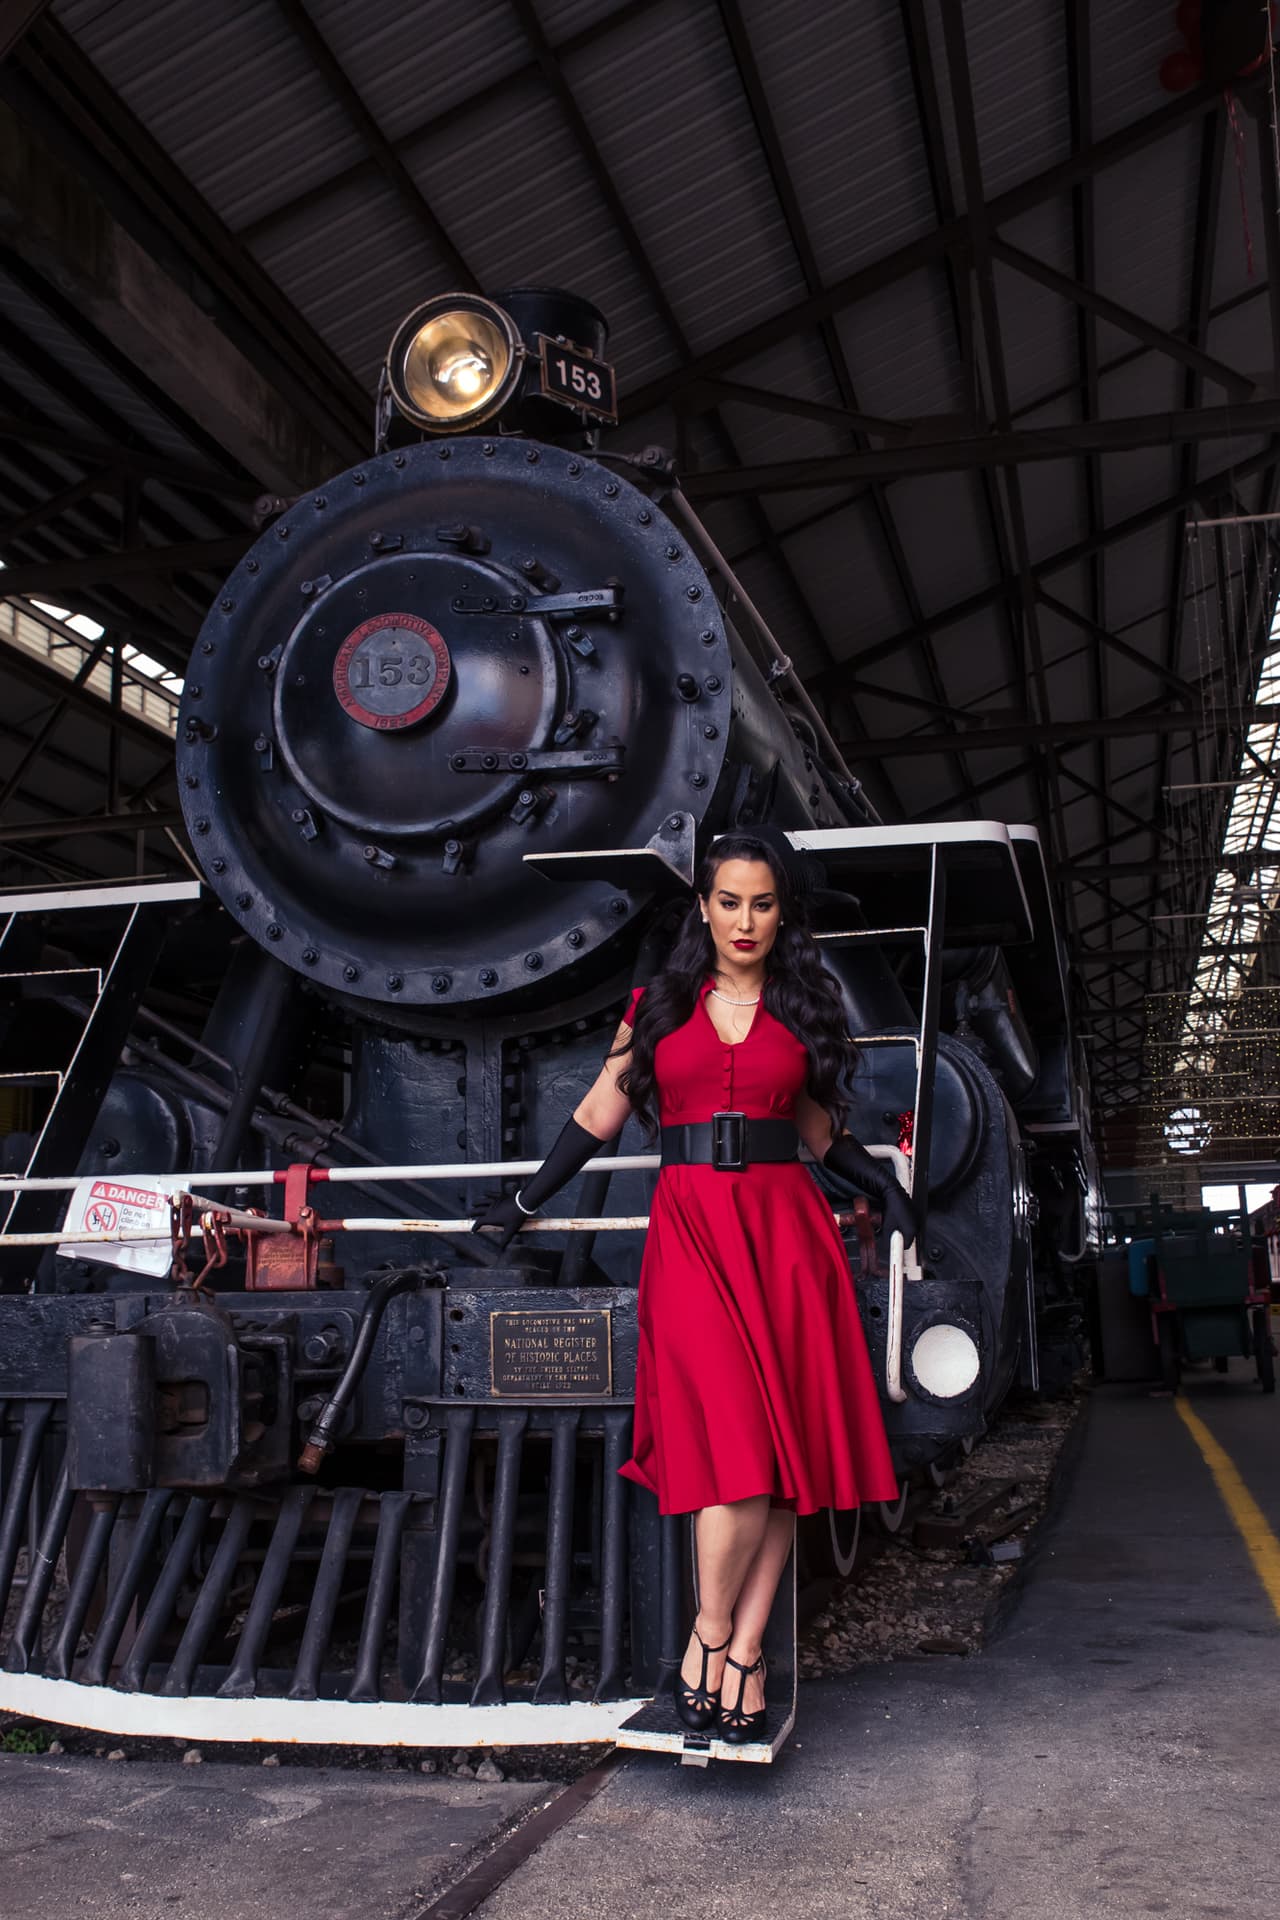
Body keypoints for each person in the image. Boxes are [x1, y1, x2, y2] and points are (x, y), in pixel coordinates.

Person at [472, 830, 917, 1742]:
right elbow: (601, 1111)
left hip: (786, 1236)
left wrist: (888, 1191)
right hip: (692, 1237)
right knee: (737, 1448)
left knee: (782, 1463)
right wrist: (520, 1202)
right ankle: (710, 1636)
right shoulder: (659, 1006)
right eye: (729, 902)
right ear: (703, 909)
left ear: (781, 911)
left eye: (761, 903)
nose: (745, 921)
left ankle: (737, 1649)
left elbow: (822, 1135)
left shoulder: (804, 1008)